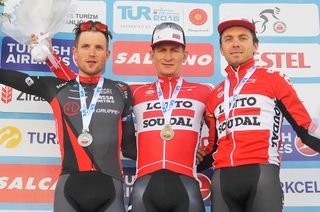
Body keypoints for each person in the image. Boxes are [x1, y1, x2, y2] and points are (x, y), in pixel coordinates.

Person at [42, 22, 214, 212]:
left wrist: (201, 157)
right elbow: (77, 84)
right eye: (161, 50)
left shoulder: (205, 92)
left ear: (185, 55)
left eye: (174, 50)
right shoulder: (133, 92)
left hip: (187, 186)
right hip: (145, 188)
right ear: (151, 55)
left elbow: (224, 133)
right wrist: (49, 55)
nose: (167, 57)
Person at [0, 20, 136, 212]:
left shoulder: (121, 90)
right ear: (75, 53)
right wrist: (49, 54)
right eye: (85, 46)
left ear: (107, 55)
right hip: (69, 189)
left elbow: (130, 148)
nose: (91, 53)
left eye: (98, 47)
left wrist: (186, 157)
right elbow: (8, 76)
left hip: (111, 188)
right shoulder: (57, 88)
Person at [198, 17, 320, 212]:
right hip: (222, 181)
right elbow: (212, 148)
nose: (235, 43)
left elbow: (305, 128)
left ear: (255, 46)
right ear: (221, 49)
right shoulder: (215, 95)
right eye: (228, 39)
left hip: (262, 175)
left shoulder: (274, 79)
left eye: (243, 38)